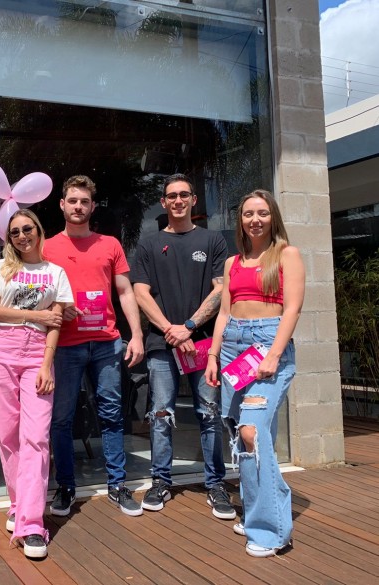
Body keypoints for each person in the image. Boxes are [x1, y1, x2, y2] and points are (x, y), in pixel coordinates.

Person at [205, 189, 304, 557]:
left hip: (268, 345)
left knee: (251, 430)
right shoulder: (233, 262)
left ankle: (273, 531)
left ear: (272, 216)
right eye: (248, 214)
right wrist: (213, 354)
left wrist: (274, 355)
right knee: (246, 434)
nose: (255, 219)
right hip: (233, 346)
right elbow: (225, 313)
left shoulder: (287, 255)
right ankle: (255, 511)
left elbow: (292, 309)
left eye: (262, 213)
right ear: (241, 220)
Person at [131, 173, 234, 519]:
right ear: (163, 202)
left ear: (193, 200)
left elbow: (221, 289)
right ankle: (160, 481)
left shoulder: (213, 240)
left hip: (203, 345)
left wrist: (189, 327)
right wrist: (170, 330)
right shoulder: (148, 245)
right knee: (161, 414)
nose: (177, 200)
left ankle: (215, 484)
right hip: (162, 345)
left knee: (210, 413)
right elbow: (140, 293)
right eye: (171, 196)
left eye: (183, 195)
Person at [45, 175, 145, 518]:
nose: (78, 206)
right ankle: (66, 487)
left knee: (112, 415)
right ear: (62, 204)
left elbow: (125, 292)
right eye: (72, 201)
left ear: (92, 206)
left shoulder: (110, 244)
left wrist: (137, 334)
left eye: (84, 201)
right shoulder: (46, 248)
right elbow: (35, 293)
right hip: (65, 344)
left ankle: (117, 484)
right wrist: (55, 309)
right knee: (61, 418)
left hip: (107, 343)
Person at [0, 209, 73, 560]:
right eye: (15, 232)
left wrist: (47, 364)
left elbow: (56, 323)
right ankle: (19, 505)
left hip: (37, 353)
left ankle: (32, 524)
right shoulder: (0, 268)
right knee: (8, 435)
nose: (22, 236)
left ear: (38, 230)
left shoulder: (55, 272)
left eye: (27, 229)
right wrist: (37, 314)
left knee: (36, 437)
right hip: (0, 349)